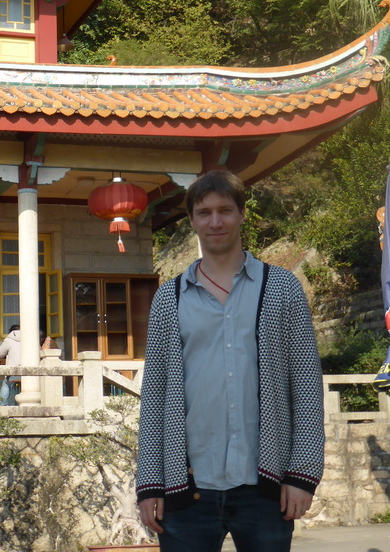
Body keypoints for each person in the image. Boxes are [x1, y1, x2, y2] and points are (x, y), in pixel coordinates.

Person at [136, 169, 324, 552]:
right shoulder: (169, 299)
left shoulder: (281, 288)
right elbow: (154, 397)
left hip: (266, 487)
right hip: (187, 488)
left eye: (225, 210)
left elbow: (305, 387)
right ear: (191, 221)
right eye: (204, 212)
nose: (215, 221)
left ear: (241, 214)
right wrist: (149, 484)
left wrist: (302, 474)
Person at [0, 324, 22, 405]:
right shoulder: (30, 338)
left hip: (13, 372)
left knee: (6, 384)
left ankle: (2, 407)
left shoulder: (9, 340)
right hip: (29, 374)